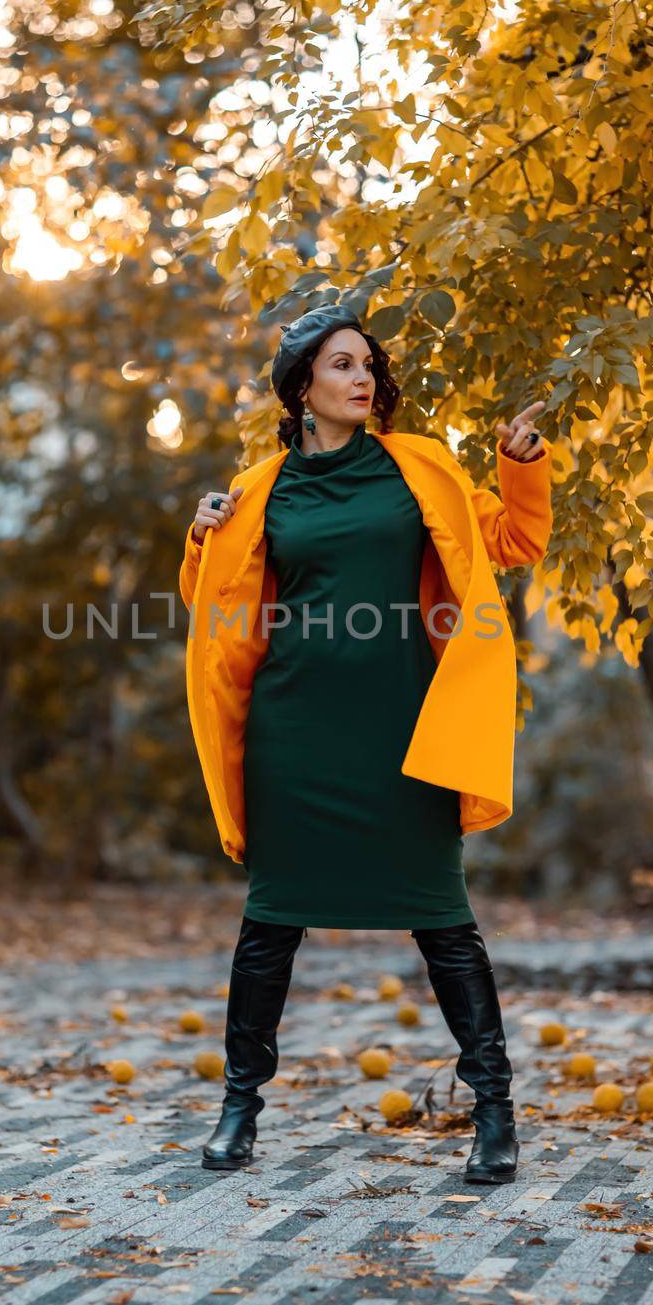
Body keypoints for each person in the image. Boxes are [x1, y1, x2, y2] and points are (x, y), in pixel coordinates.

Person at [178, 304, 553, 1183]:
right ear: (301, 387)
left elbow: (513, 538)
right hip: (293, 729)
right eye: (342, 365)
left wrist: (522, 465)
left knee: (442, 918)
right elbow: (214, 608)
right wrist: (200, 535)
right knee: (270, 923)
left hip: (403, 728)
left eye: (368, 367)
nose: (363, 379)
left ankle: (493, 1111)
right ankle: (239, 1109)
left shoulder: (418, 465)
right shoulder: (257, 489)